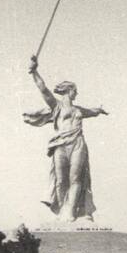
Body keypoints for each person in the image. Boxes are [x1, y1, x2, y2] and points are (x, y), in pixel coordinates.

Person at [23, 56, 107, 222]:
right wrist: (34, 71)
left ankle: (70, 211)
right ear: (69, 90)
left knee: (75, 178)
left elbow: (92, 110)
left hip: (77, 144)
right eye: (75, 91)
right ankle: (62, 209)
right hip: (60, 144)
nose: (77, 93)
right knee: (61, 180)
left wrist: (100, 110)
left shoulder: (79, 110)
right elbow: (43, 89)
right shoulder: (57, 106)